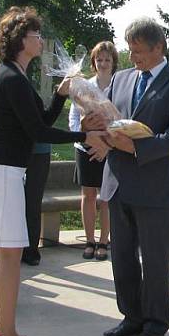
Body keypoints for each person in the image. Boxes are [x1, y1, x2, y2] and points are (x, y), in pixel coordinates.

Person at [0, 6, 107, 336]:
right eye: (36, 35)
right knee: (9, 255)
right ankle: (7, 333)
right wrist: (84, 134)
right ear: (19, 40)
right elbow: (39, 132)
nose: (41, 40)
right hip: (2, 173)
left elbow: (39, 119)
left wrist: (59, 95)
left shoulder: (13, 75)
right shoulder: (12, 78)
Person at [100, 17, 169, 336]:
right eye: (130, 50)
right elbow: (107, 117)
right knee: (122, 256)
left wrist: (136, 146)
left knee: (154, 260)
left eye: (139, 51)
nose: (133, 57)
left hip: (154, 187)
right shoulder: (121, 78)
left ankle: (155, 322)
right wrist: (95, 125)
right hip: (117, 182)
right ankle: (131, 316)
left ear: (159, 47)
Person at [69, 41, 118, 261]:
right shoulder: (83, 86)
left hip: (111, 149)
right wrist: (86, 137)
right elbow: (73, 120)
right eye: (99, 59)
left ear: (114, 62)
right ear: (93, 62)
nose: (103, 63)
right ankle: (89, 240)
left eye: (107, 59)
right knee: (88, 195)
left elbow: (123, 120)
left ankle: (104, 242)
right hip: (86, 147)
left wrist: (107, 147)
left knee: (106, 197)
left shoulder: (120, 85)